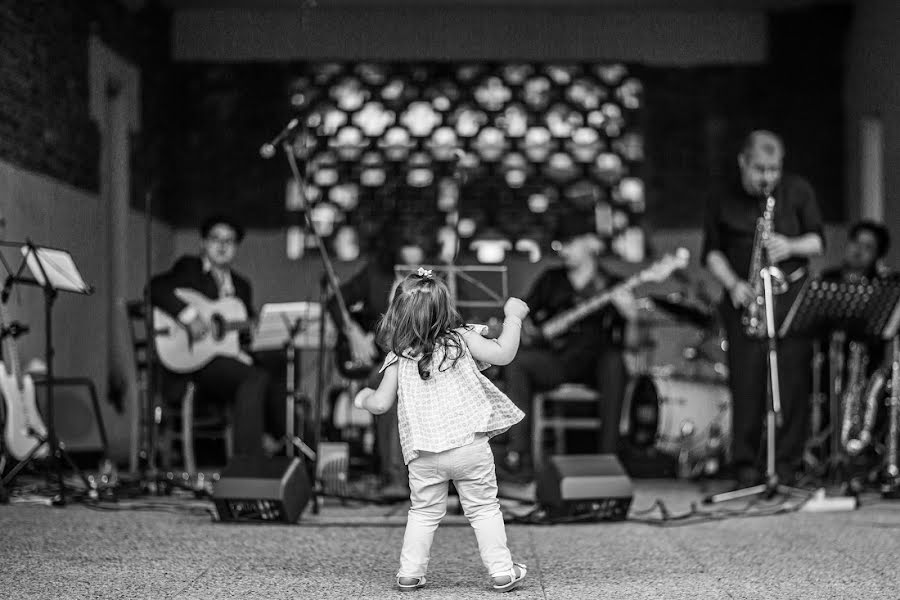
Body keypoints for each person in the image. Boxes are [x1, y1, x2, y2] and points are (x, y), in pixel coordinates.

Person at [353, 269, 529, 592]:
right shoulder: (462, 339)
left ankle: (409, 572)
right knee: (484, 508)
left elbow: (380, 404)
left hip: (423, 454)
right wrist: (513, 317)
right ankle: (502, 571)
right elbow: (504, 353)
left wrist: (363, 397)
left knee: (422, 512)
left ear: (397, 314)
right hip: (469, 448)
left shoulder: (398, 358)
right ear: (446, 308)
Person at [702, 130, 825, 487]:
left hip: (791, 303)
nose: (767, 177)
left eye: (774, 169)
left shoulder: (798, 191)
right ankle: (745, 465)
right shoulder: (721, 195)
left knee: (792, 383)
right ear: (743, 162)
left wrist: (790, 245)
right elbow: (711, 251)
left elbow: (818, 241)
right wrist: (733, 284)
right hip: (745, 300)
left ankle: (786, 464)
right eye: (760, 169)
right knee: (747, 383)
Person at [500, 213, 637, 480]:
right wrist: (525, 328)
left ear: (592, 244)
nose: (564, 250)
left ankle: (609, 462)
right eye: (561, 243)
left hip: (596, 364)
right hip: (558, 360)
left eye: (571, 242)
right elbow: (524, 316)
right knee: (517, 362)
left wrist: (632, 318)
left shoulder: (612, 285)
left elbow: (631, 343)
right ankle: (520, 458)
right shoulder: (552, 279)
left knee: (615, 361)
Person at [149, 215, 281, 457]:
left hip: (228, 358)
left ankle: (298, 451)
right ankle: (249, 463)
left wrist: (254, 333)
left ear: (236, 247)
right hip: (194, 361)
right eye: (215, 239)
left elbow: (240, 334)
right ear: (203, 243)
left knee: (278, 368)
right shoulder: (189, 268)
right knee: (254, 378)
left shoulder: (242, 286)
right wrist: (188, 316)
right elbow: (155, 288)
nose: (222, 245)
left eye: (229, 241)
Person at [326, 232, 427, 500]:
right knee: (387, 385)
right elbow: (335, 300)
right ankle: (393, 476)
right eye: (404, 267)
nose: (410, 272)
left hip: (423, 359)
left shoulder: (438, 279)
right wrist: (354, 334)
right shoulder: (375, 274)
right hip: (383, 361)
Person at [821, 220, 891, 283]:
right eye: (855, 242)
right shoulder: (828, 279)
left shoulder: (880, 284)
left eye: (867, 247)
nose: (858, 249)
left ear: (877, 254)